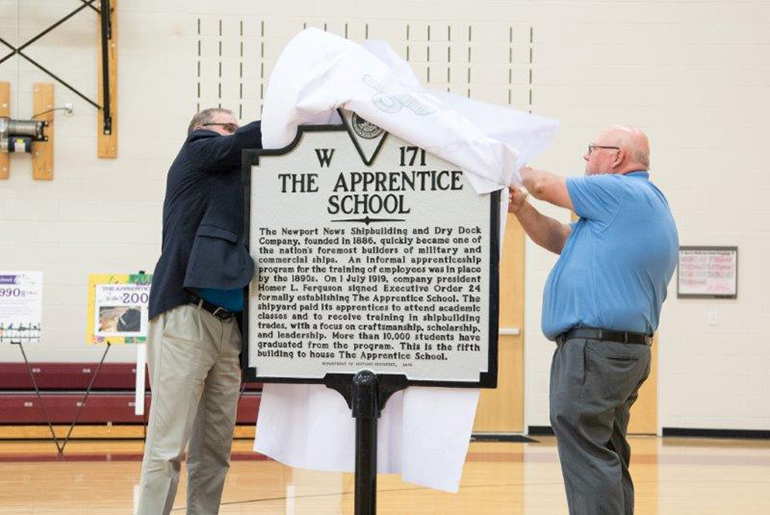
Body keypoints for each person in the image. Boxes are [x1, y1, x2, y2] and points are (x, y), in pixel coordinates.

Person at [508, 125, 678, 514]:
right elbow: (559, 238)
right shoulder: (625, 209)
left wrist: (507, 164)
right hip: (614, 349)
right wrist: (522, 209)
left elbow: (545, 183)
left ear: (616, 156)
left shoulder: (620, 192)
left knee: (586, 450)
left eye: (591, 149)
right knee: (605, 452)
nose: (585, 158)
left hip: (596, 350)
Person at [137, 108, 262, 514]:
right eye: (227, 126)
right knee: (168, 446)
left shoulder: (235, 178)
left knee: (214, 451)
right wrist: (290, 116)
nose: (235, 132)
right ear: (200, 131)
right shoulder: (196, 152)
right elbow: (238, 144)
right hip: (186, 315)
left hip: (229, 328)